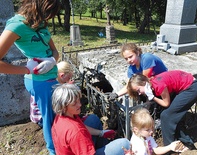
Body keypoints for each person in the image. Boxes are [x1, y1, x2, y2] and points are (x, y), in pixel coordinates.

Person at [0, 0, 61, 154]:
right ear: (38, 6)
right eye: (47, 12)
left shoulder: (39, 22)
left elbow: (55, 51)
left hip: (51, 77)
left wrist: (52, 60)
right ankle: (54, 150)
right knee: (50, 120)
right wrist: (26, 69)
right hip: (40, 81)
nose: (48, 18)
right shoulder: (17, 25)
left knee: (56, 116)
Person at [126, 70, 197, 151]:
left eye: (138, 90)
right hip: (186, 86)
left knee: (166, 116)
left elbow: (166, 104)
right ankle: (185, 143)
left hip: (191, 88)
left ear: (144, 83)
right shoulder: (151, 82)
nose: (139, 94)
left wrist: (153, 97)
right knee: (173, 116)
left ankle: (170, 148)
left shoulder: (158, 85)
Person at [51, 83, 130, 155]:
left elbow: (82, 126)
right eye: (74, 104)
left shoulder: (62, 116)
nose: (79, 105)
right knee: (125, 144)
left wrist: (101, 133)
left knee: (93, 119)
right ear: (64, 107)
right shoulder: (76, 132)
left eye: (78, 100)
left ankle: (102, 147)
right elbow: (78, 131)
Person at [30, 61, 74, 126]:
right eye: (69, 78)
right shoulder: (53, 86)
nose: (69, 79)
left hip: (35, 115)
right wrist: (69, 88)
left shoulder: (49, 79)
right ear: (62, 75)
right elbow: (61, 101)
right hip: (42, 118)